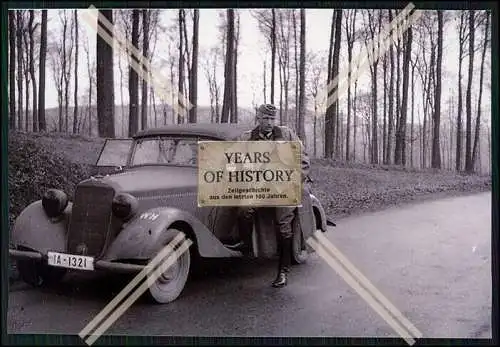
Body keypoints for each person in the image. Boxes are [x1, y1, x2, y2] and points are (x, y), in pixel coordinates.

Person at [236, 103, 310, 288]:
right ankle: (246, 247)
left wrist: (294, 180)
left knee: (283, 223)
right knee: (244, 209)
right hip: (258, 185)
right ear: (258, 119)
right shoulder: (247, 138)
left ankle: (283, 271)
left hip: (283, 187)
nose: (269, 122)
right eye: (265, 118)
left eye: (272, 119)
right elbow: (234, 160)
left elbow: (304, 160)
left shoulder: (287, 135)